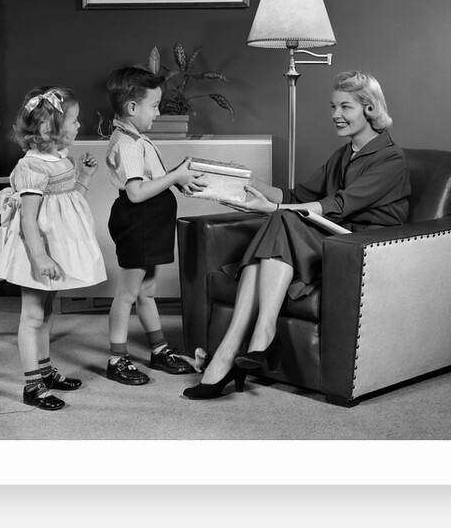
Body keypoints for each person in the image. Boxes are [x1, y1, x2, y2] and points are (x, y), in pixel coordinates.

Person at [183, 70, 411, 399]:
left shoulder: (392, 158)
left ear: (370, 109)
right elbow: (294, 195)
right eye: (333, 107)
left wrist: (271, 210)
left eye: (345, 107)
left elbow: (339, 204)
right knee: (281, 220)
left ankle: (246, 343)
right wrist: (244, 181)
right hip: (329, 234)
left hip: (360, 245)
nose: (336, 115)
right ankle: (238, 346)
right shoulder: (344, 154)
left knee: (281, 220)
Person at [0, 87, 106, 410]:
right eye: (73, 121)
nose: (79, 125)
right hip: (34, 251)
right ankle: (32, 385)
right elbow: (30, 220)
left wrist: (84, 175)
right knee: (32, 315)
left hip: (51, 246)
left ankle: (45, 372)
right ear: (50, 130)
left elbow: (69, 206)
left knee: (46, 312)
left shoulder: (61, 160)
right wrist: (39, 257)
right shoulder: (32, 168)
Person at [103, 67, 206, 385]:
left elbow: (150, 178)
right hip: (140, 223)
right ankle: (116, 357)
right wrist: (175, 177)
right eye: (155, 105)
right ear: (132, 108)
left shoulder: (135, 137)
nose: (159, 112)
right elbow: (135, 193)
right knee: (128, 293)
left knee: (147, 290)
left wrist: (178, 176)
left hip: (151, 222)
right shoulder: (128, 144)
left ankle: (158, 349)